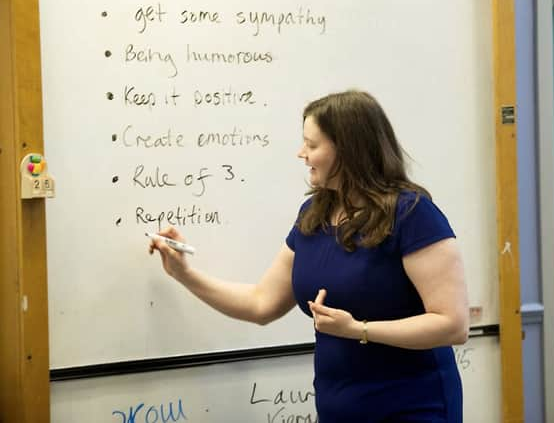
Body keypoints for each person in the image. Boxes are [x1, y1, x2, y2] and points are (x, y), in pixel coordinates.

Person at [149, 90, 469, 423]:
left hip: (412, 407)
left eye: (312, 145)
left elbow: (452, 324)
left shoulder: (412, 214)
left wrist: (360, 330)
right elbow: (261, 304)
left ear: (348, 149)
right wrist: (184, 273)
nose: (301, 154)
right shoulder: (314, 215)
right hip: (338, 408)